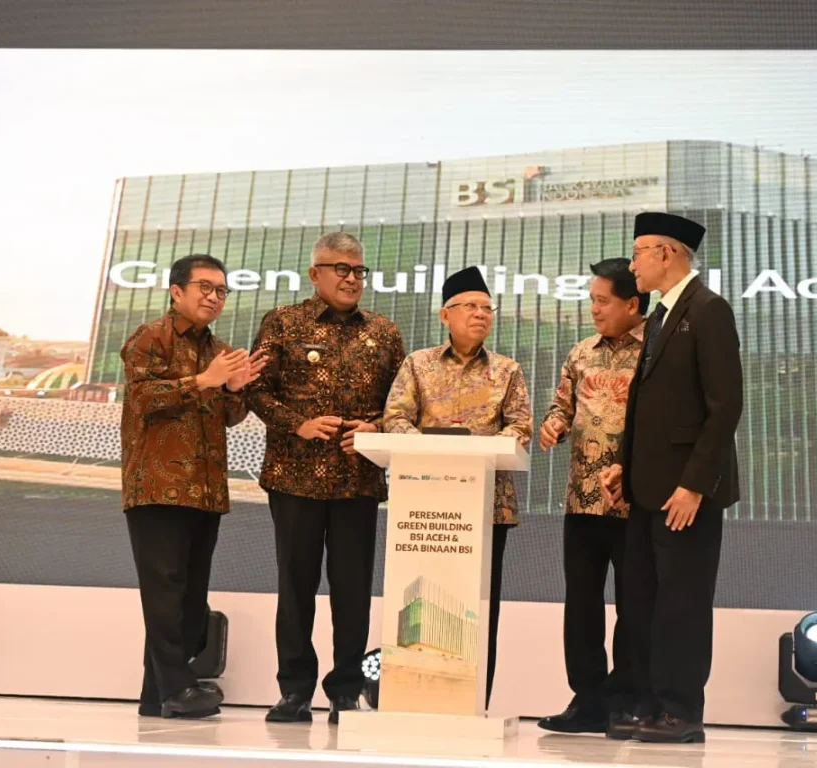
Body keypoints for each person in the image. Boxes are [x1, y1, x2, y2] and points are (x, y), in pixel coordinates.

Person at [247, 232, 406, 724]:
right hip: (294, 478)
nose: (352, 278)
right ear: (314, 273)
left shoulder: (385, 332)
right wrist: (299, 423)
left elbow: (403, 404)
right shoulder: (283, 322)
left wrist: (375, 426)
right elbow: (254, 388)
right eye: (341, 269)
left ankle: (344, 691)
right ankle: (294, 691)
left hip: (357, 480)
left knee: (353, 590)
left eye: (358, 271)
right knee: (295, 587)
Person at [601, 213, 743, 744]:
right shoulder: (661, 315)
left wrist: (694, 485)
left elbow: (725, 406)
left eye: (638, 251)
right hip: (646, 490)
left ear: (667, 253)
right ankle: (649, 703)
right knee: (641, 601)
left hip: (687, 493)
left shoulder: (708, 310)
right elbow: (647, 405)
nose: (632, 261)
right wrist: (624, 464)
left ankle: (681, 711)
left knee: (681, 603)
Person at [120, 253, 266, 719]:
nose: (213, 297)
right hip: (157, 486)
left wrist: (232, 388)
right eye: (204, 287)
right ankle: (179, 687)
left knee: (189, 596)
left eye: (221, 290)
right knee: (164, 590)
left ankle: (156, 694)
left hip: (204, 490)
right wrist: (204, 380)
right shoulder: (150, 337)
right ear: (176, 290)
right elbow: (144, 399)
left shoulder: (219, 349)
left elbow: (229, 417)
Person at [382, 266, 533, 709]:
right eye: (470, 306)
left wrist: (479, 454)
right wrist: (434, 452)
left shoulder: (508, 370)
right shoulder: (418, 364)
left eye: (487, 307)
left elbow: (521, 426)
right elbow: (395, 419)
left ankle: (473, 702)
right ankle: (413, 699)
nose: (481, 314)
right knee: (418, 602)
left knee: (479, 606)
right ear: (444, 315)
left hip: (487, 507)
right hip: (423, 508)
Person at [536, 258, 644, 734]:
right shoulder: (581, 353)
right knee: (581, 603)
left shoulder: (654, 352)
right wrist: (554, 424)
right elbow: (561, 405)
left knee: (634, 606)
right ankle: (588, 699)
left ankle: (627, 699)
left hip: (633, 500)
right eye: (592, 300)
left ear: (632, 303)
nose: (594, 309)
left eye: (603, 301)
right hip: (581, 499)